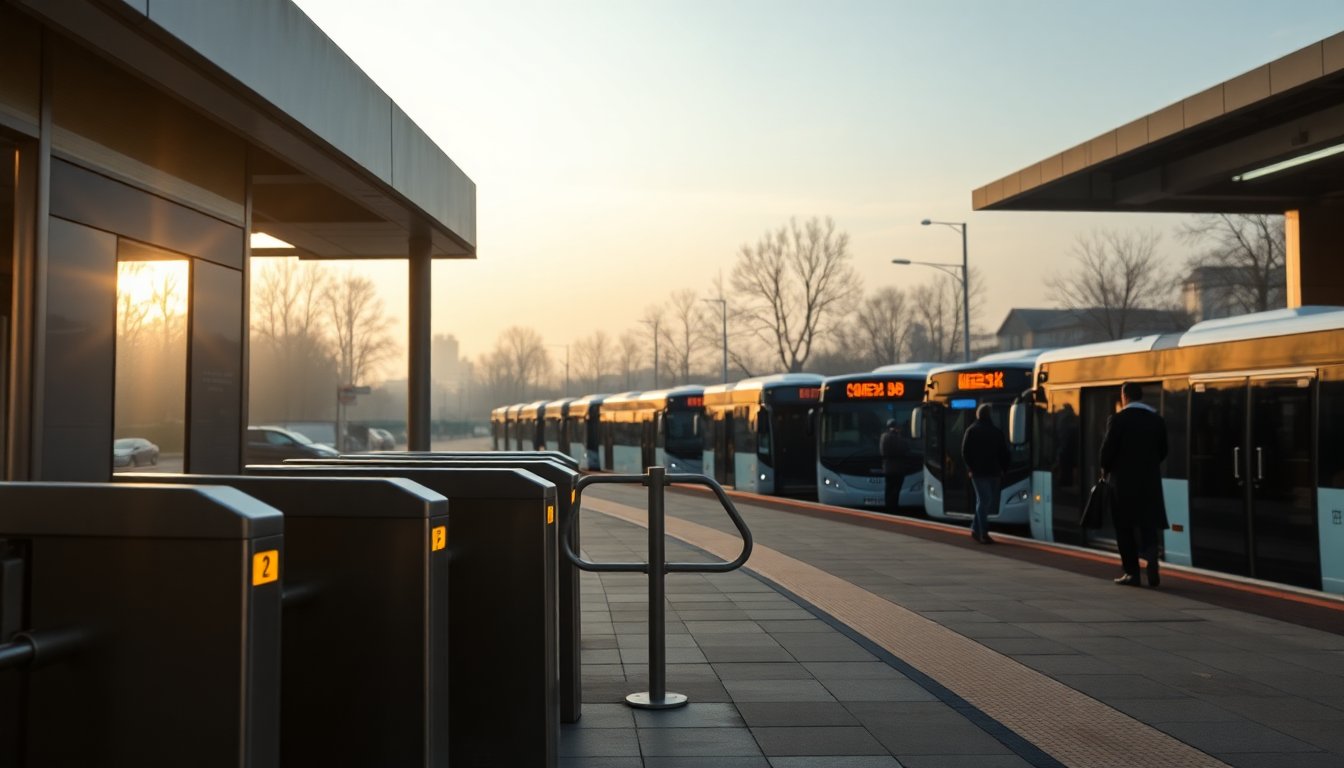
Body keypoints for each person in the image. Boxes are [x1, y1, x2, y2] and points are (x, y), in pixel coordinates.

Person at [1099, 381, 1168, 587]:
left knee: (1124, 528)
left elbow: (1107, 451)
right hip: (1150, 483)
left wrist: (1106, 468)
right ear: (1141, 396)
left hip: (1123, 484)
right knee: (1148, 524)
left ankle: (1132, 573)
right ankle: (1151, 556)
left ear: (1125, 396)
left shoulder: (1118, 419)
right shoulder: (1156, 420)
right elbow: (1163, 450)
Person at [961, 404, 1010, 544]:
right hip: (994, 472)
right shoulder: (996, 431)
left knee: (983, 500)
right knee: (985, 501)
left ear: (978, 415)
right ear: (990, 415)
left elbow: (964, 452)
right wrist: (1004, 469)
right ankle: (983, 532)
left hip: (978, 473)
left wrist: (970, 468)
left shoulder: (971, 430)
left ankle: (976, 529)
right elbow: (1004, 453)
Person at [879, 419, 905, 515]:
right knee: (896, 490)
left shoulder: (884, 437)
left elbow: (882, 452)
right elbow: (905, 449)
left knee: (888, 489)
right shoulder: (898, 438)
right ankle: (894, 508)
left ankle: (888, 508)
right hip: (898, 469)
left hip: (887, 469)